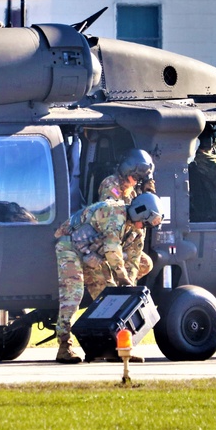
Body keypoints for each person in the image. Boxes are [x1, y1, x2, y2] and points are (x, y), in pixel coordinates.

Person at [52, 192, 163, 364]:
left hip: (94, 255)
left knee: (109, 300)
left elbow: (134, 260)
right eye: (144, 222)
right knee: (72, 296)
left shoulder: (137, 231)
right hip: (70, 247)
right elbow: (112, 251)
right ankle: (64, 347)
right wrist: (123, 279)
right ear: (138, 213)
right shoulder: (114, 213)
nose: (143, 227)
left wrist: (129, 288)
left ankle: (117, 348)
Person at [97, 149, 156, 286]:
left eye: (139, 179)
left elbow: (146, 211)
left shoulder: (132, 191)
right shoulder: (111, 185)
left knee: (145, 263)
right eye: (135, 178)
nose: (136, 182)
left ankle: (126, 286)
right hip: (109, 240)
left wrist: (148, 192)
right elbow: (113, 215)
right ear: (127, 172)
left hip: (125, 242)